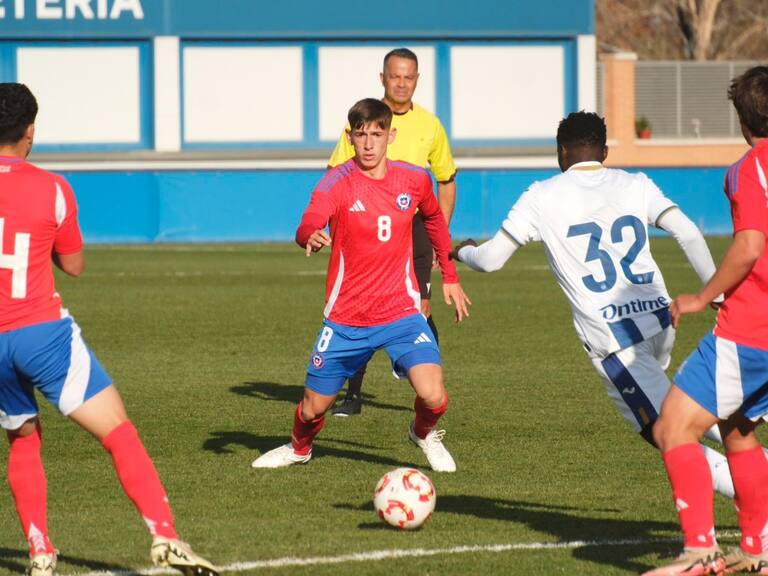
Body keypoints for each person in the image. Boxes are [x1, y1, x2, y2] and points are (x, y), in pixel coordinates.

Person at [452, 111, 739, 502]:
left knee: (666, 433)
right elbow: (688, 232)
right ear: (604, 151)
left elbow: (490, 260)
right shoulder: (636, 183)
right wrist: (717, 295)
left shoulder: (540, 195)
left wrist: (463, 251)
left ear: (561, 152)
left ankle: (754, 490)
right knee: (682, 408)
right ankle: (753, 465)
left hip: (614, 339)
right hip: (661, 321)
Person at [0, 83, 217, 576]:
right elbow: (74, 265)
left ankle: (39, 553)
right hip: (41, 334)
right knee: (118, 430)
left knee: (23, 437)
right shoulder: (52, 187)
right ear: (30, 131)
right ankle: (165, 538)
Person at [251, 98, 470, 472]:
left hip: (401, 313)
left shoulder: (414, 179)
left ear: (390, 136)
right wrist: (309, 235)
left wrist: (449, 274)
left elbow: (434, 219)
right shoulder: (336, 182)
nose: (368, 143)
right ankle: (299, 448)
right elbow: (308, 222)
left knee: (434, 396)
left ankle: (422, 433)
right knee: (313, 407)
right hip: (347, 318)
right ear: (350, 137)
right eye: (361, 134)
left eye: (376, 134)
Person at [642, 67, 768, 575]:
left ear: (742, 119)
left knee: (673, 425)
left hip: (752, 329)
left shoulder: (748, 168)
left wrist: (702, 295)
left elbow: (750, 245)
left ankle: (700, 551)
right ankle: (758, 550)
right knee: (737, 428)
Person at [326, 47, 457, 417]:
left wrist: (440, 236)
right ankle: (353, 395)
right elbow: (333, 174)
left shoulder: (430, 125)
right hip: (366, 223)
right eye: (395, 76)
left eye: (408, 77)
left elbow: (446, 179)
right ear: (382, 78)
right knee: (362, 306)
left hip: (413, 226)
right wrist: (333, 228)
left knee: (420, 304)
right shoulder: (365, 120)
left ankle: (427, 389)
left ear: (417, 80)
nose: (401, 83)